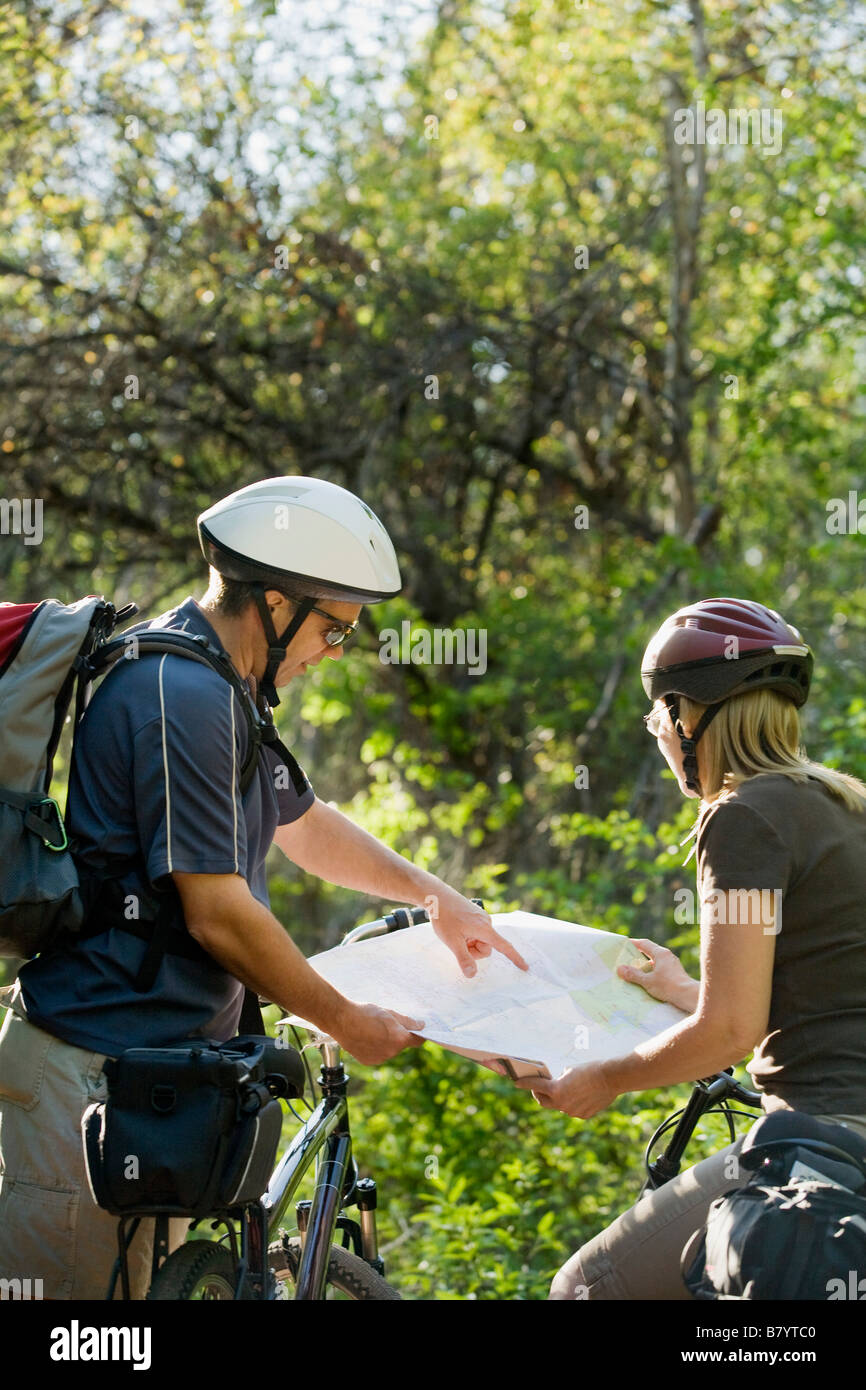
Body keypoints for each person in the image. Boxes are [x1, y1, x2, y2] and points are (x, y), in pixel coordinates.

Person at [0, 474, 527, 1300]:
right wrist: (345, 1021)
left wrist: (436, 895)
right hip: (88, 1079)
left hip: (152, 1081)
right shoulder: (180, 693)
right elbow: (218, 914)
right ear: (276, 605)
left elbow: (305, 823)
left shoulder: (229, 688)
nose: (335, 651)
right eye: (335, 628)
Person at [511, 597, 866, 1299]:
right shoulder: (843, 807)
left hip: (822, 1141)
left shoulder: (742, 818)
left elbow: (729, 1031)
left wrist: (604, 1079)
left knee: (585, 1287)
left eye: (658, 717)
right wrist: (683, 991)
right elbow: (815, 990)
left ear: (688, 715)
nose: (658, 734)